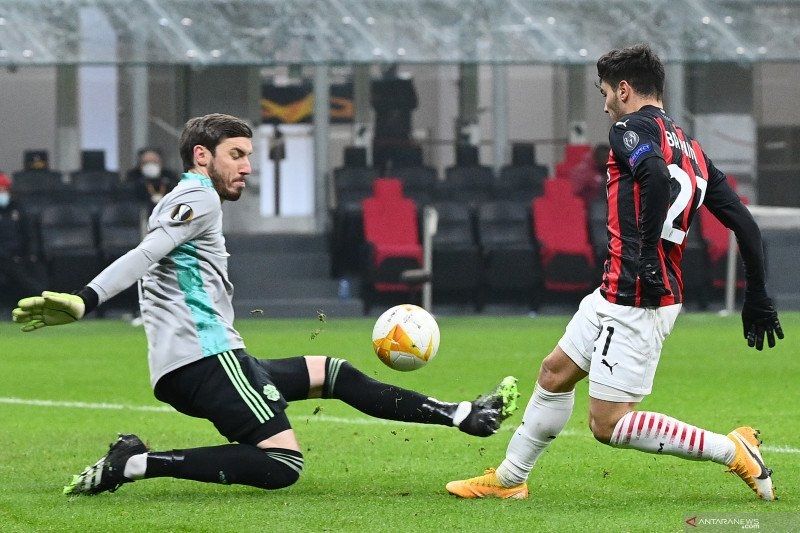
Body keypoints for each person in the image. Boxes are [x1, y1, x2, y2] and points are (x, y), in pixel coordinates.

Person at [11, 113, 519, 496]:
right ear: (202, 157)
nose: (248, 168)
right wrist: (85, 299)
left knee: (334, 373)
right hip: (206, 360)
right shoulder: (200, 198)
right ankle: (136, 463)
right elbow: (146, 254)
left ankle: (460, 414)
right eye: (237, 154)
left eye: (249, 155)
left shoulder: (182, 198)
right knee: (282, 464)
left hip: (199, 362)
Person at [445, 44, 783, 501]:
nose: (604, 103)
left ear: (624, 90)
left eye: (605, 92)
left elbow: (655, 177)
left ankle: (732, 449)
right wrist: (758, 294)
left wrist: (644, 254)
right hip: (618, 289)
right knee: (554, 372)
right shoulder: (695, 151)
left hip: (640, 295)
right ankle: (510, 479)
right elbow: (745, 224)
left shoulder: (628, 128)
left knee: (608, 423)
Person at [0, 172, 45, 314]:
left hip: (16, 257)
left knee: (31, 283)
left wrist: (30, 253)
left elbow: (28, 234)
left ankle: (43, 305)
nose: (2, 194)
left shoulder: (18, 209)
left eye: (4, 190)